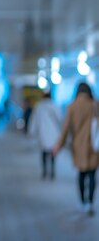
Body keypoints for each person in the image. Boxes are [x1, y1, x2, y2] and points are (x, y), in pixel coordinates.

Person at [53, 82, 99, 216]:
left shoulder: (72, 106)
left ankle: (82, 202)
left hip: (79, 146)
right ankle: (90, 203)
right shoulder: (95, 104)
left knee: (81, 174)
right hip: (94, 146)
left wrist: (58, 145)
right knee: (92, 175)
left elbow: (66, 128)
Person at [27, 91, 61, 180]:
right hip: (54, 133)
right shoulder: (55, 106)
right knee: (53, 153)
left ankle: (45, 171)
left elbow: (34, 120)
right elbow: (60, 120)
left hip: (43, 133)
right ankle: (52, 171)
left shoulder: (39, 106)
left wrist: (31, 131)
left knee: (44, 153)